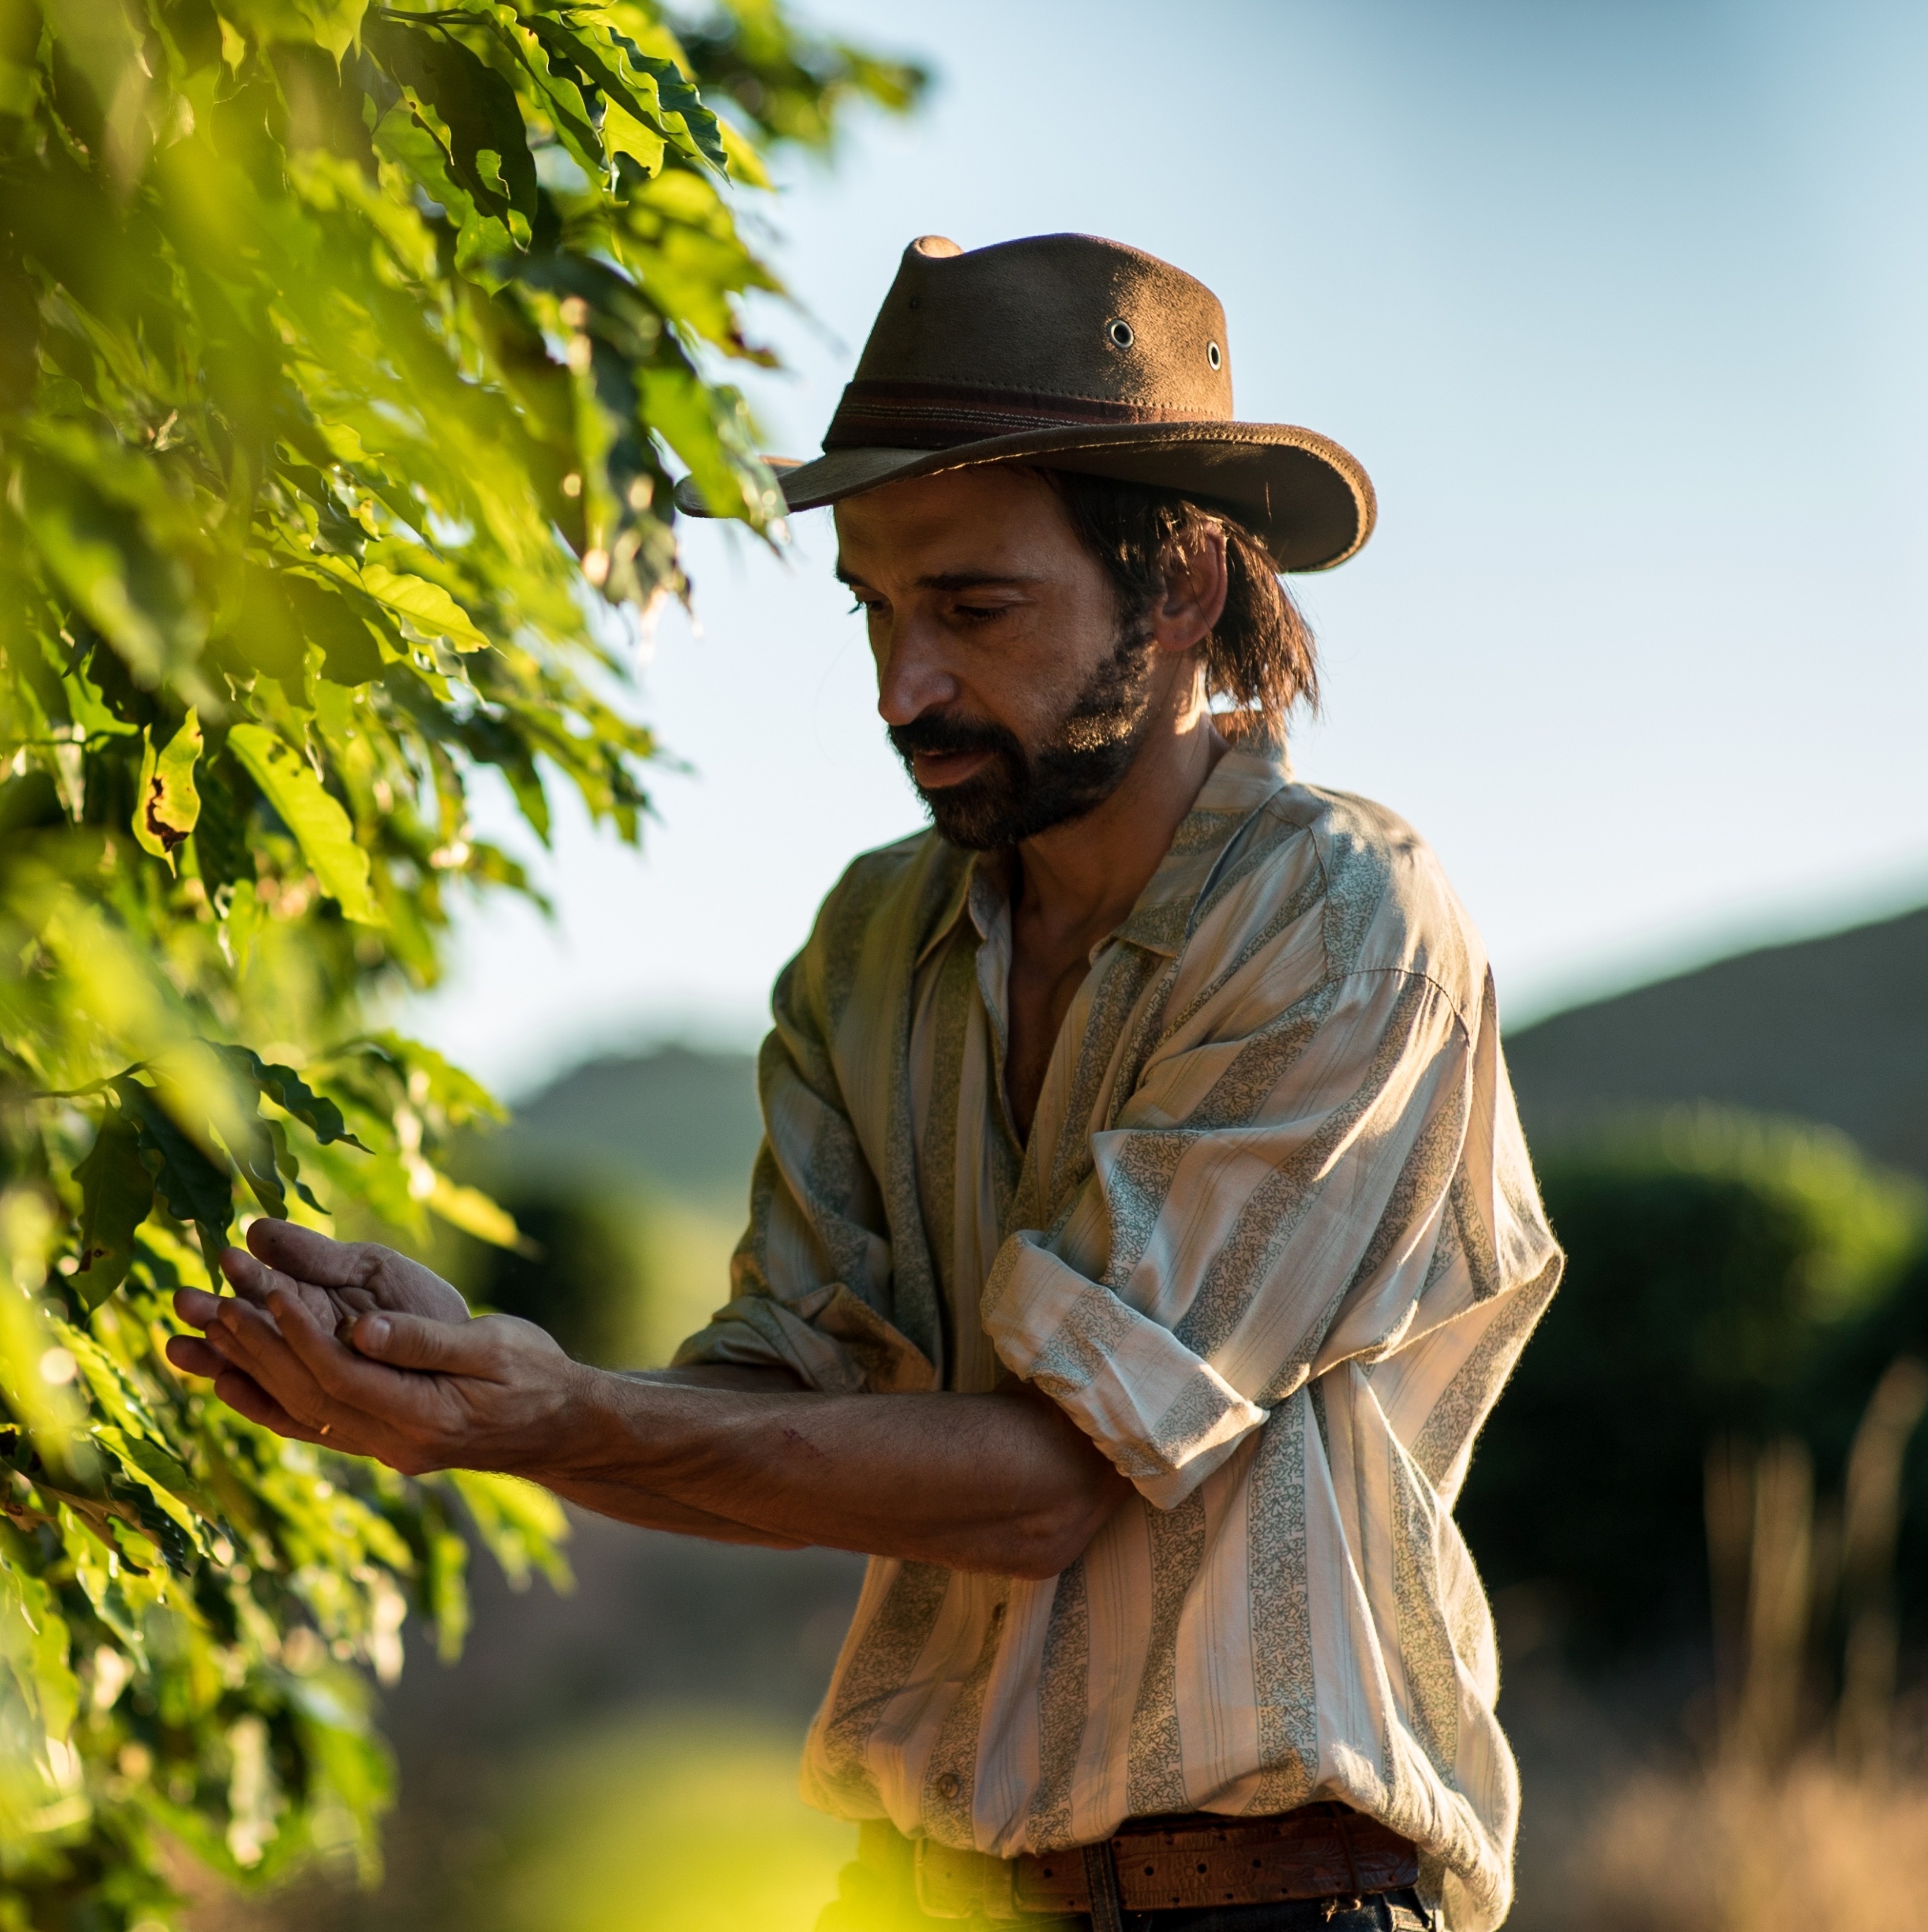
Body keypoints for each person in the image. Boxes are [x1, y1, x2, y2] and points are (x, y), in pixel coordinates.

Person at [168, 234, 1563, 1932]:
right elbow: (771, 1415)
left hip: (1277, 1905)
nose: (905, 689)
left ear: (1186, 582)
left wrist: (549, 1414)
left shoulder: (1343, 920)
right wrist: (472, 1394)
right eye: (878, 610)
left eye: (972, 608)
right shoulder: (869, 942)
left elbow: (1053, 1483)